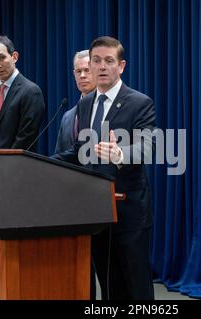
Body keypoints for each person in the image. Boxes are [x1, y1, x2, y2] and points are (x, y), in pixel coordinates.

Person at [55, 36, 156, 300]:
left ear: (121, 66)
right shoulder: (86, 104)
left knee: (136, 289)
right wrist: (44, 163)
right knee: (109, 287)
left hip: (128, 212)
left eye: (108, 61)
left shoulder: (139, 102)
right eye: (95, 61)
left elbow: (148, 147)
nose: (101, 67)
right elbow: (80, 151)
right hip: (95, 211)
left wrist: (120, 152)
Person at [0, 36, 45, 150]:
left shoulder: (31, 91)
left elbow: (25, 139)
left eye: (1, 58)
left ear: (14, 57)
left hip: (16, 165)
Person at [54, 50, 96, 154]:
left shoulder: (107, 109)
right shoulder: (67, 117)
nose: (82, 75)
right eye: (78, 71)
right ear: (74, 74)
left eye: (87, 70)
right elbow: (59, 155)